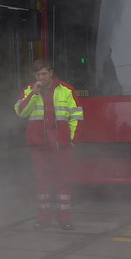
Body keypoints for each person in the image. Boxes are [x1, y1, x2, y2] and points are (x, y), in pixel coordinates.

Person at [14, 59, 83, 230]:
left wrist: (72, 139)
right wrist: (34, 94)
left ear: (51, 73)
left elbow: (76, 117)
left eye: (44, 73)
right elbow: (21, 112)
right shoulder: (29, 91)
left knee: (63, 181)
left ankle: (64, 218)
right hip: (38, 144)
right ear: (34, 76)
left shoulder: (67, 90)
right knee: (41, 182)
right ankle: (43, 218)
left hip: (61, 145)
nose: (41, 77)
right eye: (38, 74)